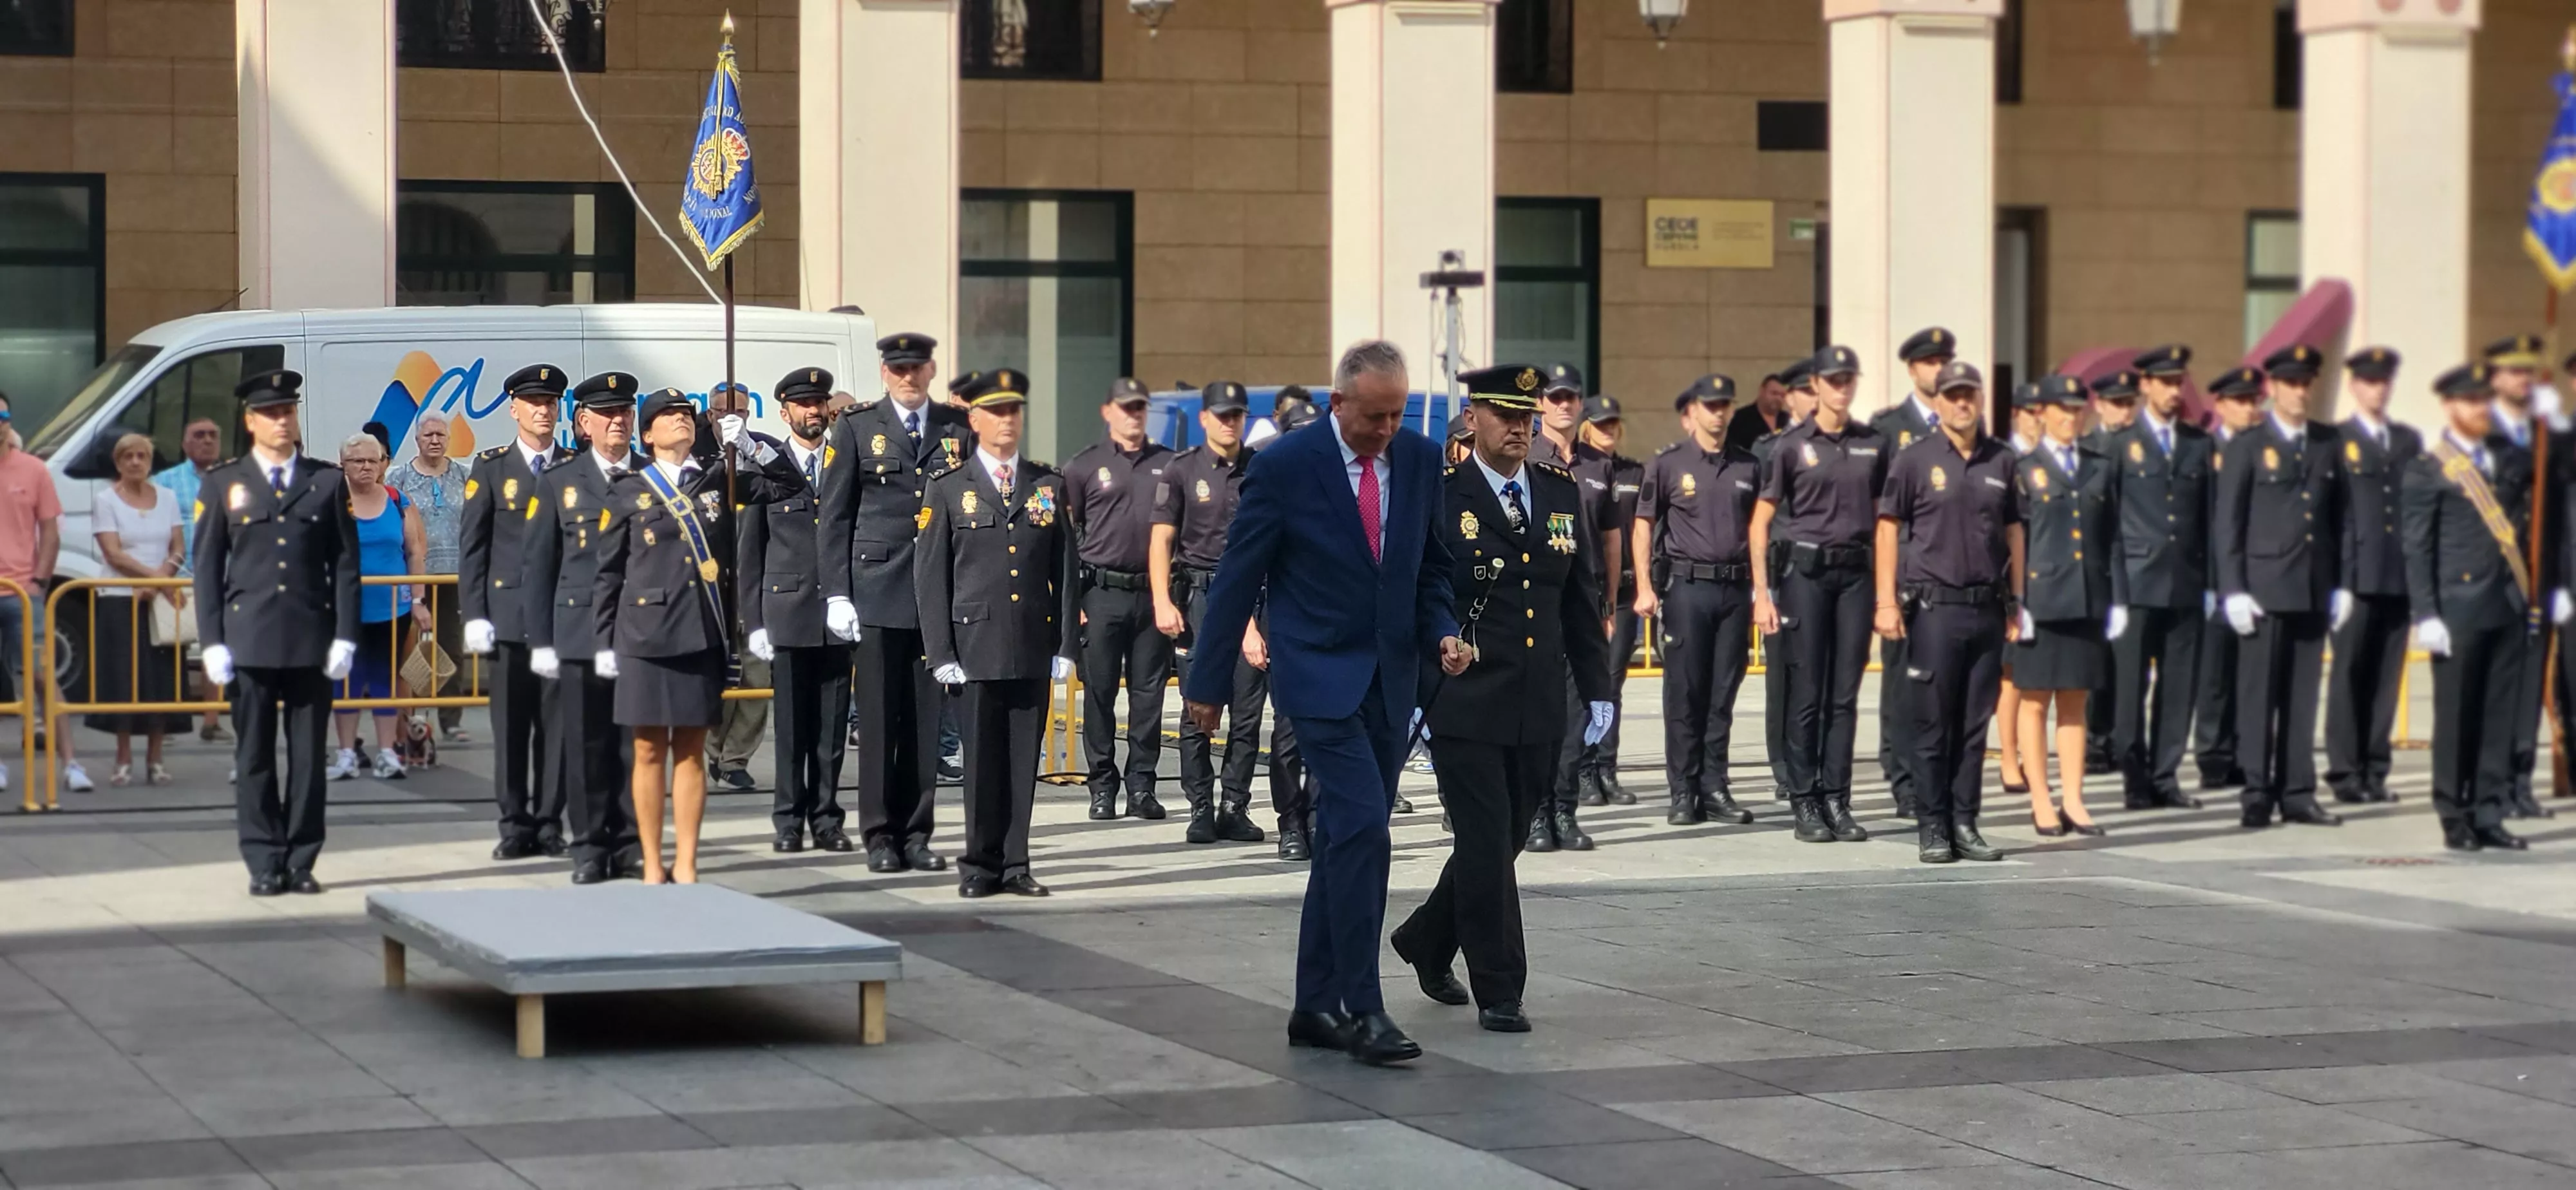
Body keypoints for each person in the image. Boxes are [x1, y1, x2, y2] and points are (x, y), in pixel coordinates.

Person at [1182, 338, 1466, 1068]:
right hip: (1315, 678)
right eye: (1372, 416)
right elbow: (1237, 577)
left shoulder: (1419, 458)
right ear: (1338, 403)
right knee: (1368, 830)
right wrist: (1207, 686)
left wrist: (1440, 633)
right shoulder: (1283, 467)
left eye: (1396, 415)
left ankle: (1313, 1007)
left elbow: (1431, 568)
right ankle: (1362, 1007)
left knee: (1343, 839)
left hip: (1390, 680)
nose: (1384, 430)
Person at [1390, 364, 1611, 1034]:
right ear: (1471, 419)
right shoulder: (1440, 493)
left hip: (1539, 697)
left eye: (1527, 415)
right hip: (1464, 698)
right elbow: (1412, 596)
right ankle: (1501, 987)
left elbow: (1580, 600)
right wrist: (1411, 689)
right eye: (1503, 414)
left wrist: (1598, 689)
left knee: (1506, 837)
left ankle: (1427, 937)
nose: (1519, 427)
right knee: (1485, 841)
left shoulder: (1558, 493)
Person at [192, 370, 359, 896]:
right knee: (255, 757)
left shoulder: (326, 481)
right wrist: (212, 640)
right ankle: (265, 860)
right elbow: (206, 568)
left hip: (311, 638)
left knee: (309, 761)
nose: (282, 420)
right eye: (271, 412)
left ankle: (302, 859)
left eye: (288, 410)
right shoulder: (224, 483)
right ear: (250, 421)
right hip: (251, 640)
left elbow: (347, 566)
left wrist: (346, 636)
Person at [916, 369, 1077, 898]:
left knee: (1022, 762)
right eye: (997, 412)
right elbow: (932, 576)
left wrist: (1065, 647)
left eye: (1015, 412)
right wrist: (940, 650)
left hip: (1031, 642)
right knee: (981, 763)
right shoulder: (948, 488)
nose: (1008, 421)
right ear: (975, 419)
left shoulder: (1046, 485)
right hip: (974, 646)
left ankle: (1016, 864)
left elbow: (1066, 570)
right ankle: (979, 865)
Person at [822, 332, 971, 873]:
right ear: (884, 374)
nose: (908, 378)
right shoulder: (857, 427)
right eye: (898, 369)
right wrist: (837, 592)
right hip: (878, 589)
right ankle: (880, 834)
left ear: (932, 370)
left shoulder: (958, 428)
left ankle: (916, 833)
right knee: (882, 721)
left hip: (939, 595)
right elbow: (835, 516)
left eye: (917, 368)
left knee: (926, 723)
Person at [1875, 361, 2017, 863]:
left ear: (1980, 398)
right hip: (1934, 608)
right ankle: (1932, 826)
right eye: (1952, 394)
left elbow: (2015, 531)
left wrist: (2019, 600)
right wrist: (1886, 601)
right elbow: (1888, 526)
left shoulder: (2002, 459)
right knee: (1933, 723)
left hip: (1986, 609)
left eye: (1969, 394)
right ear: (1937, 402)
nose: (1962, 403)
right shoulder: (1915, 459)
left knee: (1974, 727)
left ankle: (1965, 822)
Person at [595, 388, 739, 884]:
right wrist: (603, 642)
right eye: (669, 415)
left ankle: (688, 862)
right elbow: (608, 573)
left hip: (700, 631)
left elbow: (785, 488)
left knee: (692, 749)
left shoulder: (719, 478)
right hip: (643, 636)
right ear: (648, 433)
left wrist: (749, 449)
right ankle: (654, 863)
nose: (681, 420)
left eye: (687, 415)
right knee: (648, 748)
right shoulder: (626, 490)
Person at [1752, 345, 1885, 844]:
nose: (1841, 387)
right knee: (1807, 693)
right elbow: (1761, 521)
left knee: (1844, 696)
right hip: (1805, 576)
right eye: (1832, 380)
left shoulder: (1873, 442)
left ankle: (1837, 798)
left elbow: (1885, 521)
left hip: (1855, 576)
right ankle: (1805, 799)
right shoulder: (1791, 446)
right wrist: (1762, 592)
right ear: (1818, 386)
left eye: (1848, 378)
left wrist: (1887, 591)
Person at [2216, 345, 2350, 829]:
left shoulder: (2327, 442)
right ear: (2273, 388)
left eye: (2306, 383)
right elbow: (2228, 523)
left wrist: (2343, 584)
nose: (2300, 391)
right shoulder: (2248, 446)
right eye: (2291, 383)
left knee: (2301, 697)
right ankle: (2257, 792)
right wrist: (2233, 588)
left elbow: (2342, 519)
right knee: (2259, 697)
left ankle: (2298, 791)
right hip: (2263, 591)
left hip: (2313, 587)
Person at [2407, 364, 2537, 851]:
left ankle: (2489, 811)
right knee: (2457, 717)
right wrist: (2426, 614)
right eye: (2470, 401)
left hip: (2505, 603)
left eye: (2485, 400)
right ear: (2450, 406)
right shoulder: (2429, 469)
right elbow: (2417, 549)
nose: (2479, 409)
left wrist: (2545, 420)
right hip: (2457, 610)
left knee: (2496, 717)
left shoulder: (2510, 457)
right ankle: (2454, 815)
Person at [526, 372, 646, 883]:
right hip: (577, 633)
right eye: (607, 414)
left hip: (639, 631)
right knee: (584, 743)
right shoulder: (559, 482)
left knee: (634, 746)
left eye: (625, 412)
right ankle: (591, 845)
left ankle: (632, 842)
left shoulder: (652, 476)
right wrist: (542, 641)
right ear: (584, 422)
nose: (618, 421)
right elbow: (539, 566)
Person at [458, 364, 576, 861]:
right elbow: (474, 547)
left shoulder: (574, 465)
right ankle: (514, 825)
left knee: (558, 730)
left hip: (560, 620)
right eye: (533, 403)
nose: (543, 411)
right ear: (514, 409)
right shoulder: (491, 467)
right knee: (510, 731)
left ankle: (550, 823)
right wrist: (474, 614)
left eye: (550, 403)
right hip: (508, 618)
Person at [1634, 375, 1761, 827]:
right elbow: (1644, 524)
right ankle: (1683, 791)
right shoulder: (1668, 464)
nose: (1719, 413)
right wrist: (1646, 587)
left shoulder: (1749, 465)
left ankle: (1715, 785)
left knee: (1723, 692)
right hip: (1687, 588)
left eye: (1725, 404)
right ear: (1694, 412)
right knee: (1685, 693)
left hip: (1734, 590)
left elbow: (1759, 530)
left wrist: (1762, 592)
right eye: (1711, 405)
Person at [741, 368, 855, 854]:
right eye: (803, 404)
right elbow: (751, 549)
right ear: (784, 412)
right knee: (791, 730)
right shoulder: (768, 466)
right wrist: (754, 620)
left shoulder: (846, 460)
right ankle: (788, 820)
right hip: (787, 612)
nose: (813, 411)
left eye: (819, 402)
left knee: (830, 731)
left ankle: (827, 819)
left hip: (836, 613)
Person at [1153, 380, 1269, 846]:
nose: (1229, 422)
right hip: (1199, 596)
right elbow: (1162, 539)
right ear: (1204, 419)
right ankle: (1200, 806)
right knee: (1197, 708)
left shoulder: (1260, 470)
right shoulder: (1181, 470)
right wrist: (1162, 600)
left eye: (1237, 414)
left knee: (1247, 711)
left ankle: (1233, 806)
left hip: (1252, 600)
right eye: (1221, 414)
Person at [2099, 347, 2213, 812]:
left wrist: (2214, 584)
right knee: (2130, 690)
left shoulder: (2199, 443)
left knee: (2178, 686)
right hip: (2136, 582)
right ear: (2145, 385)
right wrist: (2115, 594)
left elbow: (2211, 518)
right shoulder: (2120, 444)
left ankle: (2166, 776)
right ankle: (2135, 779)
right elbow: (2109, 523)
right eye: (2164, 382)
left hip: (2185, 581)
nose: (2172, 391)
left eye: (2178, 382)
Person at [2012, 375, 2121, 838]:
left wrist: (2119, 598)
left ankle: (2073, 798)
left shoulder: (2099, 465)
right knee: (2035, 702)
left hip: (2086, 598)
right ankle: (2041, 797)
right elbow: (2012, 540)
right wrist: (2016, 601)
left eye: (2077, 410)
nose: (2070, 418)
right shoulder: (2023, 468)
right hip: (2041, 600)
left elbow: (2113, 536)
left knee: (2076, 702)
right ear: (2043, 413)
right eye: (2061, 409)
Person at [1063, 377, 1177, 822]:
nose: (1134, 415)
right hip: (1101, 593)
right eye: (1126, 408)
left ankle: (1143, 787)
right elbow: (1066, 536)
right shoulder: (1083, 466)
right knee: (1100, 693)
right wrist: (1071, 598)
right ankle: (1102, 785)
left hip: (1152, 595)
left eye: (1140, 408)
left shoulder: (1170, 464)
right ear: (1107, 412)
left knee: (1148, 697)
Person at [2323, 347, 2420, 806]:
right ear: (2354, 386)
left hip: (2397, 574)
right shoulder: (2337, 440)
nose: (2377, 389)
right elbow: (2331, 516)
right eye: (2369, 381)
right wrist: (2336, 581)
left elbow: (2418, 511)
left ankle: (2375, 771)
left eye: (2383, 381)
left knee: (2386, 679)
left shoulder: (2406, 441)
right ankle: (2345, 773)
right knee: (2348, 675)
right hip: (2355, 576)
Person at [1868, 326, 1952, 820]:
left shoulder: (1960, 425)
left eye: (1944, 361)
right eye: (1930, 362)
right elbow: (1876, 509)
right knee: (1901, 679)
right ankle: (1902, 776)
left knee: (1941, 680)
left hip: (1948, 570)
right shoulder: (1888, 428)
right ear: (1912, 369)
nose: (1938, 370)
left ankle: (1932, 773)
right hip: (1903, 571)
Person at [2484, 334, 2566, 820]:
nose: (2523, 378)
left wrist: (2557, 430)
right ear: (2494, 377)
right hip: (2495, 577)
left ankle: (2519, 781)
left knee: (2529, 687)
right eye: (2513, 371)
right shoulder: (2481, 428)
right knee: (2496, 687)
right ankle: (2490, 784)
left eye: (2528, 371)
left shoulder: (2542, 433)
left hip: (2539, 578)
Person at [0, 390, 89, 797]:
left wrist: (40, 577)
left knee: (41, 675)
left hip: (23, 590)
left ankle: (71, 763)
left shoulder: (34, 470)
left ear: (9, 420)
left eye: (1, 414)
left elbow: (50, 530)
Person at [326, 432, 426, 782]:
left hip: (392, 609)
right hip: (344, 609)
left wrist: (418, 600)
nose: (367, 467)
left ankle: (387, 753)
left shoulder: (399, 500)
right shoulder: (332, 503)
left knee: (386, 677)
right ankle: (346, 755)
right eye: (358, 461)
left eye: (374, 460)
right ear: (344, 466)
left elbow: (415, 552)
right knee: (347, 681)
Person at [89, 432, 185, 786]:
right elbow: (113, 553)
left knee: (161, 678)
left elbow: (178, 547)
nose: (135, 462)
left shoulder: (169, 498)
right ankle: (124, 758)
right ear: (118, 463)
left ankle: (157, 758)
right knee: (124, 679)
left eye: (141, 456)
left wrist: (160, 582)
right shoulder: (106, 500)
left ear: (150, 461)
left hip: (160, 597)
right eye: (128, 456)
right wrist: (154, 580)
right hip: (120, 597)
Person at [1528, 361, 1595, 852]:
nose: (1564, 405)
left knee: (1574, 713)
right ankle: (1536, 812)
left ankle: (1565, 808)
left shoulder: (1597, 463)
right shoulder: (1527, 458)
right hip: (1537, 605)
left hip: (1579, 600)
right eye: (1555, 397)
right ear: (1540, 404)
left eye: (1571, 397)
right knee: (1537, 715)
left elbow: (1606, 542)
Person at [2195, 366, 2264, 791]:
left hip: (2256, 577)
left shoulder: (2261, 449)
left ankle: (2245, 751)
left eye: (2253, 400)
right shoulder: (2205, 452)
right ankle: (2214, 756)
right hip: (2214, 577)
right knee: (2215, 674)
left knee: (2250, 673)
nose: (2249, 408)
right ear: (2219, 405)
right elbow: (2201, 520)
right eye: (2240, 401)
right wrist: (2205, 581)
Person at [1575, 394, 1644, 806]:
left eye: (1613, 424)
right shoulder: (1578, 468)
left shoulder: (1634, 471)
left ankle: (1606, 768)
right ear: (1586, 427)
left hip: (1624, 591)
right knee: (1585, 684)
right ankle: (1582, 768)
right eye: (1600, 425)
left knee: (1612, 684)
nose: (1607, 431)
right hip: (1588, 587)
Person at [386, 412, 471, 744]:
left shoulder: (465, 475)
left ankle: (451, 718)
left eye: (440, 435)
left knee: (450, 645)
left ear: (448, 439)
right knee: (411, 647)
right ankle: (414, 715)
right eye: (428, 435)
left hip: (454, 576)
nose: (434, 440)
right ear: (417, 440)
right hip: (412, 576)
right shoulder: (400, 478)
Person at [700, 381, 768, 794]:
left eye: (741, 412)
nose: (734, 419)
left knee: (757, 678)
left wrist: (749, 451)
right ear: (709, 415)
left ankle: (736, 758)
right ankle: (713, 750)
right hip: (710, 580)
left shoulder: (760, 448)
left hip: (755, 580)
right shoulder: (693, 453)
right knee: (717, 677)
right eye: (726, 412)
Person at [1752, 359, 1815, 799]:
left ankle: (1813, 762)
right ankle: (1783, 764)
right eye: (1806, 391)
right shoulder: (1769, 449)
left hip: (1826, 577)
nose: (1814, 399)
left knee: (1820, 677)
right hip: (1782, 572)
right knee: (1784, 677)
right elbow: (1757, 518)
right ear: (1789, 397)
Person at [156, 415, 228, 744]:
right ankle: (171, 719)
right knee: (174, 650)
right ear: (185, 444)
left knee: (215, 649)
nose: (207, 441)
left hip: (221, 576)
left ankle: (211, 720)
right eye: (199, 435)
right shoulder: (166, 481)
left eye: (213, 435)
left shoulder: (233, 479)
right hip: (179, 578)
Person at [1996, 382, 2044, 798]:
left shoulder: (2057, 458)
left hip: (2050, 576)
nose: (2038, 419)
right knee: (2012, 674)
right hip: (2015, 576)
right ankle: (2009, 757)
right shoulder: (2005, 458)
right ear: (2017, 414)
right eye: (2031, 411)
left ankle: (2034, 755)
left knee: (2041, 674)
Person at [1725, 372, 1787, 454]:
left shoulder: (1788, 420)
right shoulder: (1740, 418)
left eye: (1782, 395)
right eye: (1774, 393)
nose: (1778, 398)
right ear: (1762, 391)